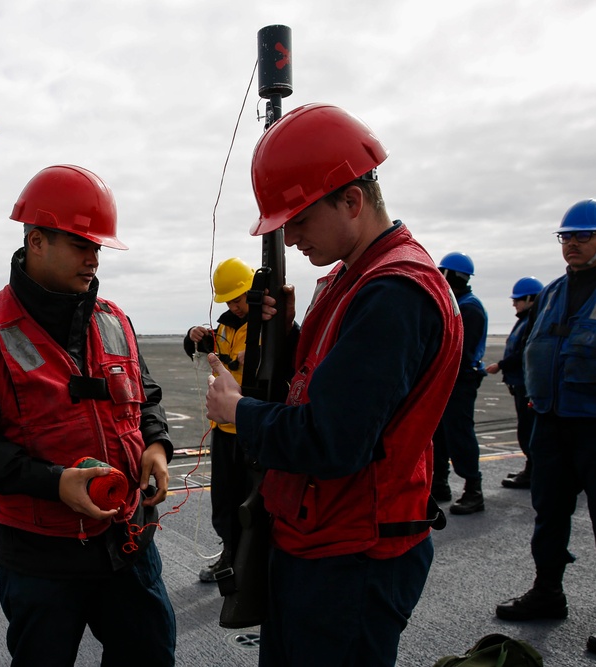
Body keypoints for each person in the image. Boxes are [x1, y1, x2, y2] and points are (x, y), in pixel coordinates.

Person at [204, 103, 462, 667]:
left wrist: (239, 408)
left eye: (299, 219)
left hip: (352, 555)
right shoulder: (356, 278)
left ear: (352, 200)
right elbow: (331, 387)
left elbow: (333, 441)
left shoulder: (391, 293)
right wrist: (288, 334)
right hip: (326, 539)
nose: (290, 236)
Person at [0, 164, 176, 666]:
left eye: (98, 247)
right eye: (81, 244)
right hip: (42, 557)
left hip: (128, 541)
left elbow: (145, 396)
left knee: (150, 654)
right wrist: (53, 482)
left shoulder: (114, 320)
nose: (93, 258)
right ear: (36, 242)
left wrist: (156, 445)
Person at [495, 199, 596, 657]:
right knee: (548, 512)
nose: (572, 244)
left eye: (583, 236)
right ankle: (547, 592)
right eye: (566, 237)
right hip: (552, 424)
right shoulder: (552, 292)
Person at [183, 257, 255, 583]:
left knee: (252, 499)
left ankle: (252, 561)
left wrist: (252, 357)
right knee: (224, 498)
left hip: (254, 426)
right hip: (224, 429)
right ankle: (229, 555)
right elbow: (198, 347)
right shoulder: (225, 325)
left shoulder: (271, 325)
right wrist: (193, 334)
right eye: (229, 300)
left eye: (239, 299)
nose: (235, 306)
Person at [431, 252, 488, 514]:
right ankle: (439, 483)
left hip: (460, 381)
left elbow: (460, 352)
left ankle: (473, 490)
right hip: (450, 380)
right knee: (440, 434)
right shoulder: (459, 303)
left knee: (459, 433)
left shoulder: (468, 307)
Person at [484, 276, 543, 489]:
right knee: (527, 430)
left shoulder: (532, 322)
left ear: (530, 299)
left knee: (528, 432)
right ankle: (532, 468)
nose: (514, 304)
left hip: (527, 387)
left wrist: (500, 364)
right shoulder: (526, 320)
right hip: (520, 385)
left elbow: (522, 353)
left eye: (518, 300)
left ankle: (533, 471)